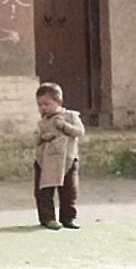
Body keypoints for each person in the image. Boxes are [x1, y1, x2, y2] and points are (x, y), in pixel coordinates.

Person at [34, 82, 85, 230]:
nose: (43, 108)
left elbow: (80, 132)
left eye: (47, 104)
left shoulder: (70, 116)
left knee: (69, 191)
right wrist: (44, 137)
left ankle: (68, 218)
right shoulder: (42, 123)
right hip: (45, 161)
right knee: (44, 191)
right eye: (40, 105)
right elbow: (35, 140)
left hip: (68, 159)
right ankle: (47, 218)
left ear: (58, 102)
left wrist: (64, 126)